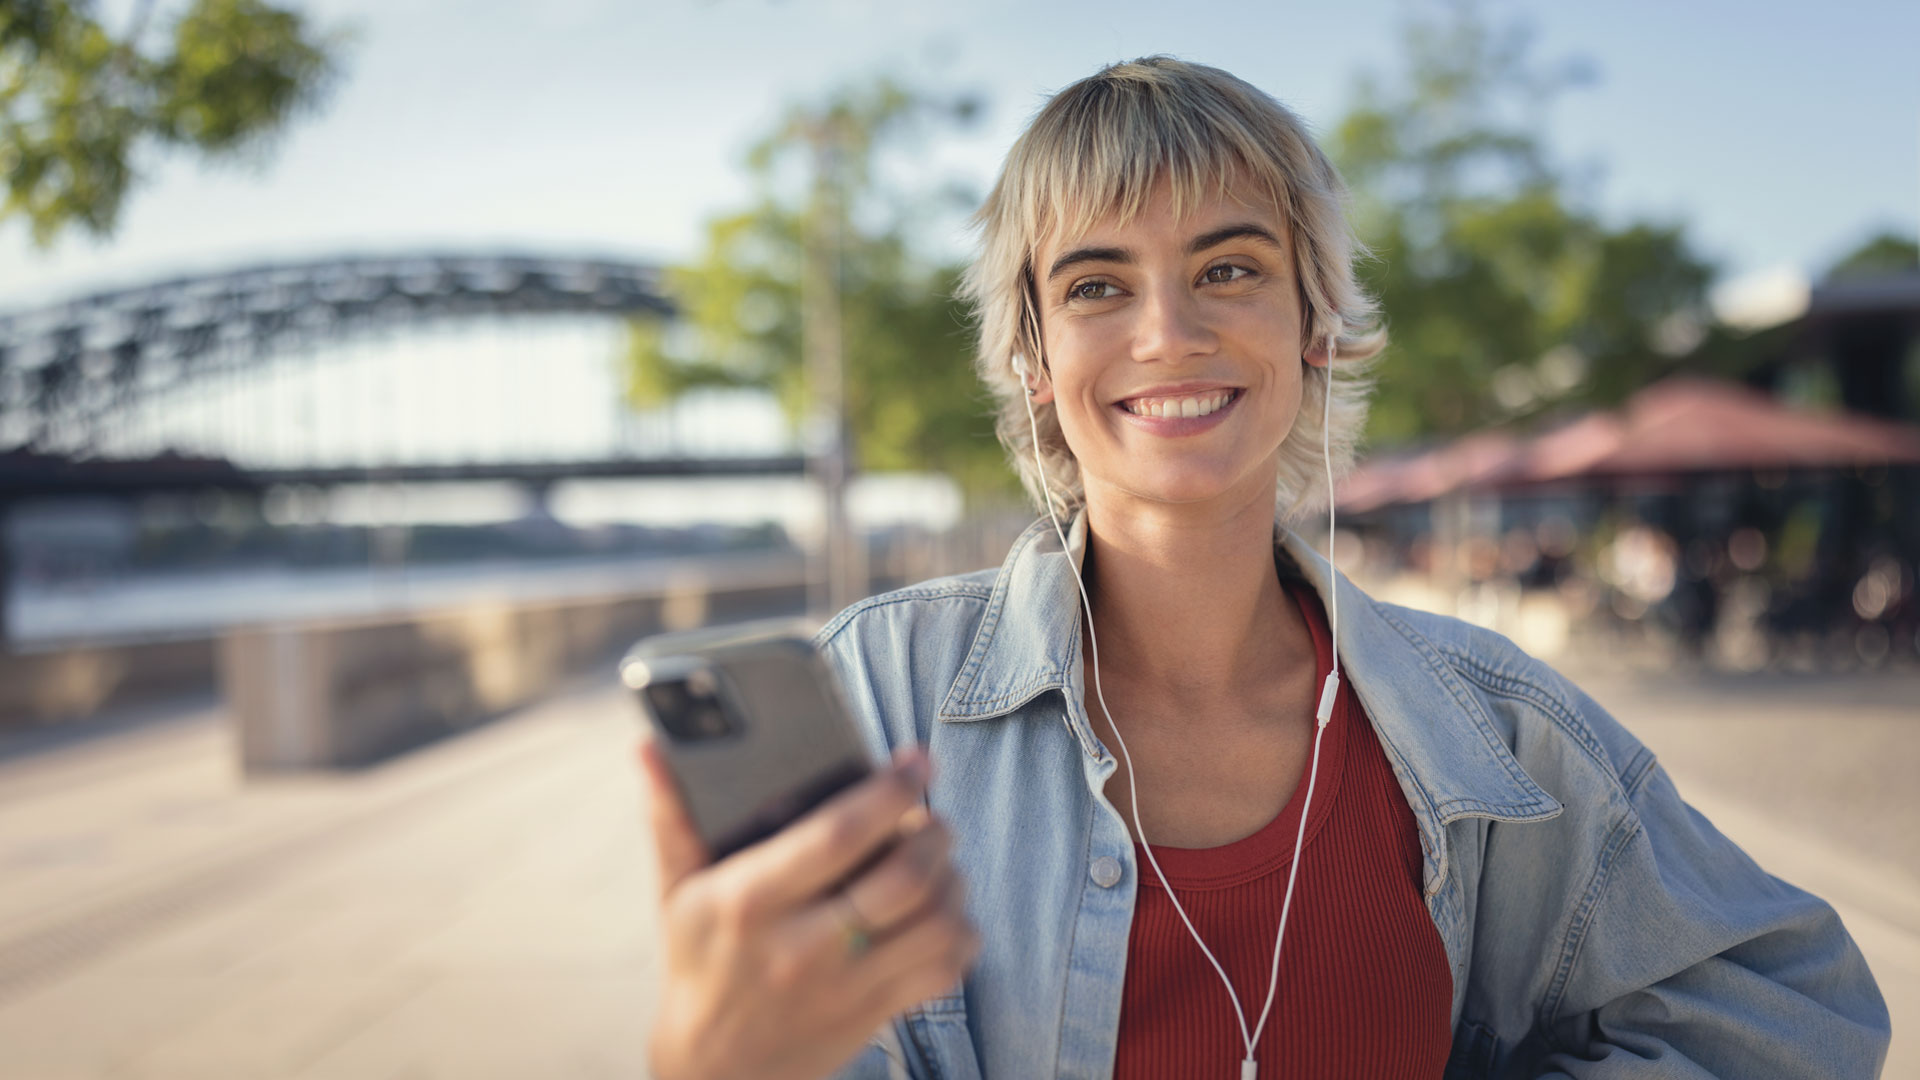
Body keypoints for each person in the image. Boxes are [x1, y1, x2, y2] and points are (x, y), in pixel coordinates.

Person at [637, 57, 1890, 1079]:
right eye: (1095, 285)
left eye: (1228, 268)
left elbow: (1800, 1012)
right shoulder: (881, 696)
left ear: (1316, 325)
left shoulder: (1497, 728)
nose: (1169, 334)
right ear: (1030, 357)